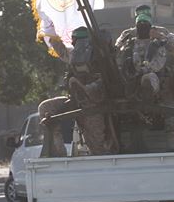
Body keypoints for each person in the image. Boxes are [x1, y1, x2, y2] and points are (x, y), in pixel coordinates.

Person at [39, 26, 116, 157]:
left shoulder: (102, 58)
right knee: (46, 108)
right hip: (80, 102)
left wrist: (49, 31)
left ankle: (60, 153)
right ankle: (59, 154)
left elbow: (59, 48)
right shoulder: (75, 55)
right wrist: (50, 30)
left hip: (94, 104)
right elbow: (60, 48)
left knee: (97, 148)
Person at [115, 5, 174, 149]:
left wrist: (160, 37)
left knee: (170, 109)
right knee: (132, 111)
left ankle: (172, 143)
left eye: (145, 20)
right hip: (133, 79)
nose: (143, 25)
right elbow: (116, 51)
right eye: (140, 20)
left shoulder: (161, 31)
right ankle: (134, 144)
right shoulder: (128, 34)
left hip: (161, 79)